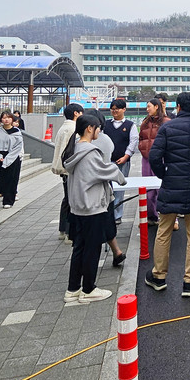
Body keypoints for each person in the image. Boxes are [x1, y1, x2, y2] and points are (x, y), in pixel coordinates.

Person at [145, 92, 190, 297]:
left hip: (171, 186)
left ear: (178, 107)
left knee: (163, 231)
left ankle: (159, 276)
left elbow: (154, 156)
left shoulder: (167, 128)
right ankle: (189, 282)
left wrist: (164, 174)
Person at [63, 115, 127, 304]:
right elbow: (105, 171)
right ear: (89, 128)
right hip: (92, 206)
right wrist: (120, 177)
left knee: (79, 248)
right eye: (98, 127)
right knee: (92, 249)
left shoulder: (75, 149)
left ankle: (73, 289)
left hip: (78, 207)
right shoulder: (90, 151)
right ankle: (88, 289)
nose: (99, 130)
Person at [84, 108, 127, 267]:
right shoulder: (107, 140)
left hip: (89, 186)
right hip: (105, 184)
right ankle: (116, 251)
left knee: (92, 222)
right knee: (107, 218)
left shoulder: (83, 142)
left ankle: (92, 259)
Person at [103, 98, 138, 224]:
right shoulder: (106, 124)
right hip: (108, 162)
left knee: (119, 189)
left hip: (123, 161)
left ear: (124, 109)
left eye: (117, 109)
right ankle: (107, 214)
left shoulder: (130, 125)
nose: (114, 111)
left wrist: (126, 156)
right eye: (112, 109)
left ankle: (117, 216)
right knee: (107, 188)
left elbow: (133, 142)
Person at [51, 103, 84, 239]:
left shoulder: (63, 127)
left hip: (63, 168)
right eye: (81, 113)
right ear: (76, 113)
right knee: (72, 200)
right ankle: (69, 233)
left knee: (67, 199)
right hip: (70, 168)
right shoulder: (74, 128)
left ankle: (62, 229)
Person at [138, 98, 170, 226]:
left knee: (162, 189)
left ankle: (168, 218)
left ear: (156, 106)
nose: (147, 109)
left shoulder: (166, 122)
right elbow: (141, 138)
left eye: (149, 106)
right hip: (147, 159)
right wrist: (142, 148)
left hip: (162, 159)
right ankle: (151, 216)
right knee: (148, 190)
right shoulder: (145, 122)